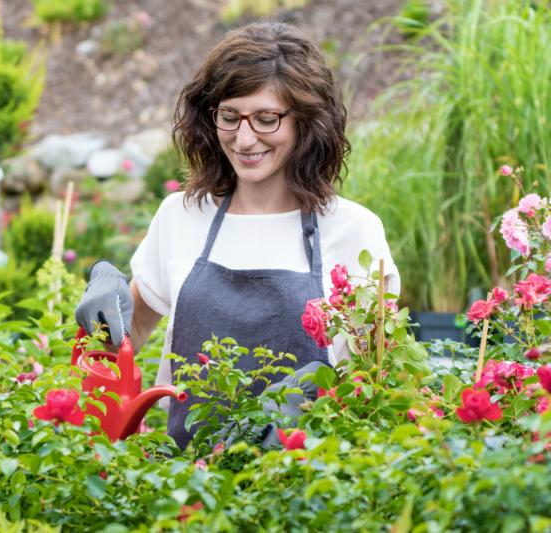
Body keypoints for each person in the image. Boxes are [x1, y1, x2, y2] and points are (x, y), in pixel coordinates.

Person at [75, 22, 399, 450]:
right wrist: (104, 304)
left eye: (266, 119)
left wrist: (314, 403)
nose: (244, 139)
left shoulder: (353, 230)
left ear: (307, 121)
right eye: (229, 116)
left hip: (310, 488)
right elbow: (128, 332)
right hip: (183, 491)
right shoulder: (182, 216)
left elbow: (382, 379)